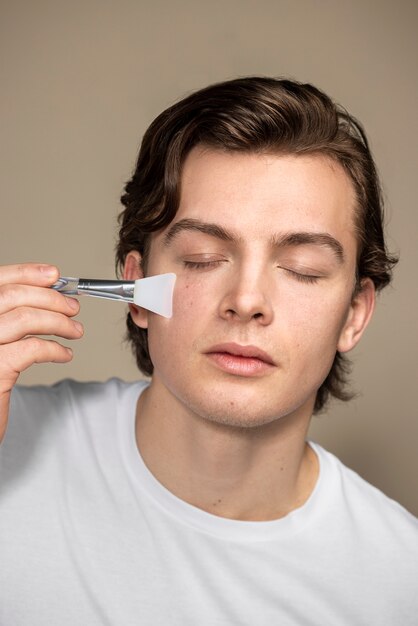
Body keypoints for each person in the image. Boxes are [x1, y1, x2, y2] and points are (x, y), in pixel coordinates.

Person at [0, 77, 417, 625]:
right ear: (136, 288)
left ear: (355, 314)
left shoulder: (399, 580)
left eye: (302, 269)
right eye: (201, 258)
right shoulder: (9, 444)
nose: (246, 301)